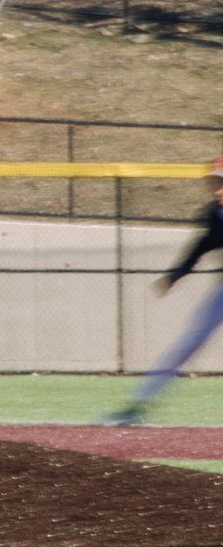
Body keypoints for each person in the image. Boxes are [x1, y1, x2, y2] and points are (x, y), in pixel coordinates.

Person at [104, 157, 223, 425]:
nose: (217, 188)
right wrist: (175, 275)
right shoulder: (212, 215)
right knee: (188, 343)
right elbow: (200, 247)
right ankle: (136, 406)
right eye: (214, 182)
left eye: (222, 182)